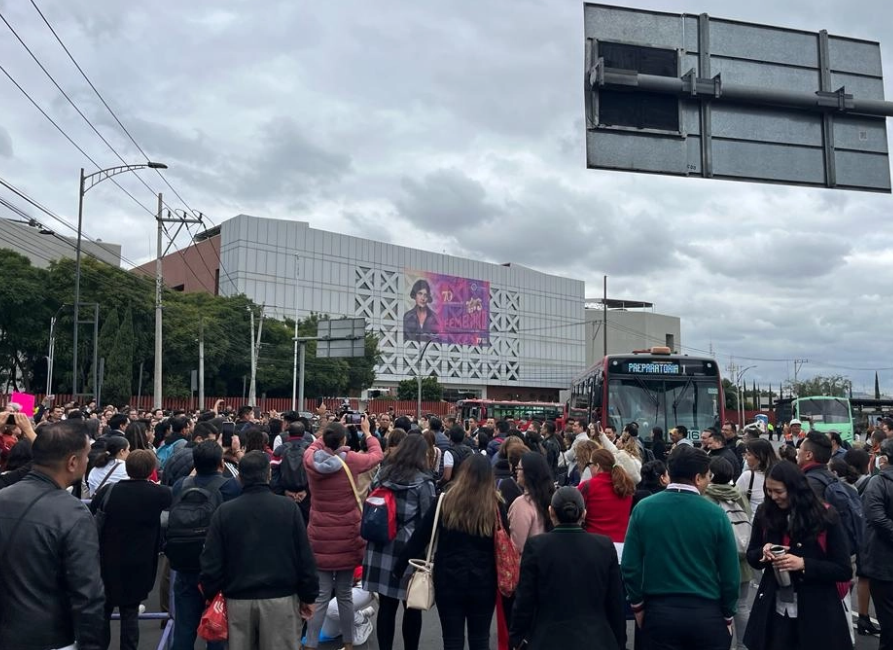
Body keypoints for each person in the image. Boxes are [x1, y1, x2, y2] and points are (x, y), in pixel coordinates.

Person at [622, 445, 739, 650]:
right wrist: (728, 614)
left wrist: (637, 606)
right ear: (697, 478)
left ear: (669, 473)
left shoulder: (643, 509)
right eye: (707, 476)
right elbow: (730, 573)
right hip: (706, 612)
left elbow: (631, 566)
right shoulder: (715, 514)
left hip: (658, 612)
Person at [0, 420, 105, 650]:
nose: (88, 462)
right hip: (48, 638)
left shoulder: (4, 496)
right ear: (73, 462)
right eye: (86, 456)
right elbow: (87, 595)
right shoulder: (73, 513)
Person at [201, 451, 319, 650]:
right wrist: (309, 595)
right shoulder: (288, 509)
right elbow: (304, 556)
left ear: (240, 477)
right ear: (268, 475)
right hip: (281, 598)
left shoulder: (225, 512)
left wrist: (212, 592)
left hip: (238, 598)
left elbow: (211, 559)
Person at [397, 454, 505, 650]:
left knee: (452, 639)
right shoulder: (496, 506)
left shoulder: (445, 501)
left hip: (449, 577)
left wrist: (400, 566)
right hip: (484, 579)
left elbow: (420, 537)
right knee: (480, 638)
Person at [743, 461, 852, 650]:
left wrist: (803, 564)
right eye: (769, 491)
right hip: (773, 609)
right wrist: (763, 551)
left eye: (779, 491)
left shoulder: (824, 516)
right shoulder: (765, 512)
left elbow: (843, 570)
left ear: (795, 488)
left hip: (816, 612)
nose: (773, 496)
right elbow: (752, 554)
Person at [510, 487, 625, 650]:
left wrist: (517, 638)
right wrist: (619, 640)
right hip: (596, 638)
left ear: (551, 512)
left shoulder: (537, 547)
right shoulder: (604, 546)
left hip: (547, 638)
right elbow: (615, 602)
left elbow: (524, 601)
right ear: (583, 514)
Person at [303, 418, 383, 650]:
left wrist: (330, 428)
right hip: (348, 536)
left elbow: (314, 446)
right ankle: (348, 642)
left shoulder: (310, 460)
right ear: (344, 440)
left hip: (319, 535)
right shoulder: (354, 461)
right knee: (345, 594)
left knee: (320, 595)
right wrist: (368, 433)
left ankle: (310, 644)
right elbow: (377, 455)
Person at [91, 449, 172, 650]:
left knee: (104, 611)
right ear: (151, 470)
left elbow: (92, 512)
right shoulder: (159, 493)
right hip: (141, 562)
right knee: (130, 613)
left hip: (107, 559)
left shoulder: (108, 491)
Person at [361, 435, 435, 650]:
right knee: (412, 606)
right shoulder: (423, 483)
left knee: (386, 606)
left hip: (380, 544)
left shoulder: (382, 475)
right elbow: (427, 521)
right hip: (408, 550)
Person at [170, 440, 241, 650]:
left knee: (183, 628)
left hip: (184, 562)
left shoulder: (179, 485)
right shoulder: (231, 487)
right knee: (216, 625)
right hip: (217, 566)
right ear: (221, 463)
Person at [704, 457, 753, 650]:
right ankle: (743, 645)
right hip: (741, 561)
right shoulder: (739, 495)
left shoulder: (706, 498)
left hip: (716, 564)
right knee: (741, 606)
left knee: (716, 609)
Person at [860, 438, 893, 645]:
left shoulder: (878, 482)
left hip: (882, 561)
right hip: (882, 561)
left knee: (888, 619)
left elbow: (876, 518)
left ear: (885, 459)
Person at [578, 448, 635, 542]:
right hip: (621, 544)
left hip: (594, 543)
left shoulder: (588, 486)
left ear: (598, 466)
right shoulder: (626, 486)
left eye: (590, 464)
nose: (589, 467)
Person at [508, 452, 553, 553]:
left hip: (527, 564)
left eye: (519, 468)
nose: (516, 472)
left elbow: (517, 546)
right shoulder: (550, 498)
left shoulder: (521, 504)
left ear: (528, 473)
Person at [737, 438, 778, 520]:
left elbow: (733, 497)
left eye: (748, 454)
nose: (745, 457)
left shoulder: (748, 476)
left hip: (754, 523)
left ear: (759, 457)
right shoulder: (779, 473)